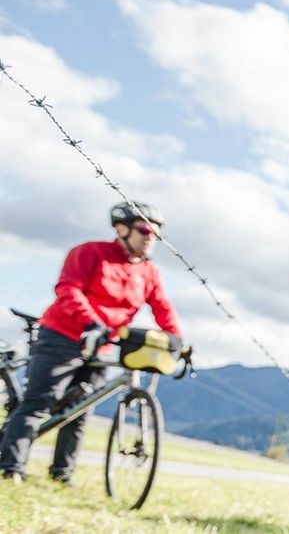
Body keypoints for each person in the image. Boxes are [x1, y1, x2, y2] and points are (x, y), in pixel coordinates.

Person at [0, 201, 182, 484]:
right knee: (39, 402)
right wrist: (90, 323)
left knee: (80, 411)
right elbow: (67, 289)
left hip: (104, 345)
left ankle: (62, 473)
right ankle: (12, 467)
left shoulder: (148, 272)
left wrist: (177, 341)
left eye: (156, 234)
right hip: (63, 334)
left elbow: (162, 307)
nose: (150, 238)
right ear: (121, 229)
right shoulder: (90, 253)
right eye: (144, 229)